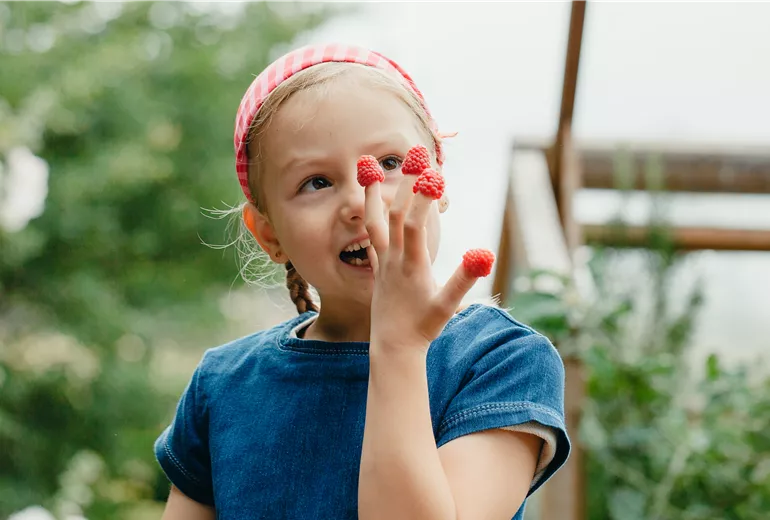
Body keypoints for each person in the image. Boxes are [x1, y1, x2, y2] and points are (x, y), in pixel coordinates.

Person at [154, 43, 570, 520]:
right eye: (317, 182)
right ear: (270, 235)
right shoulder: (222, 385)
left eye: (390, 164)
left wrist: (399, 347)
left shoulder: (500, 361)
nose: (359, 201)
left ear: (437, 183)